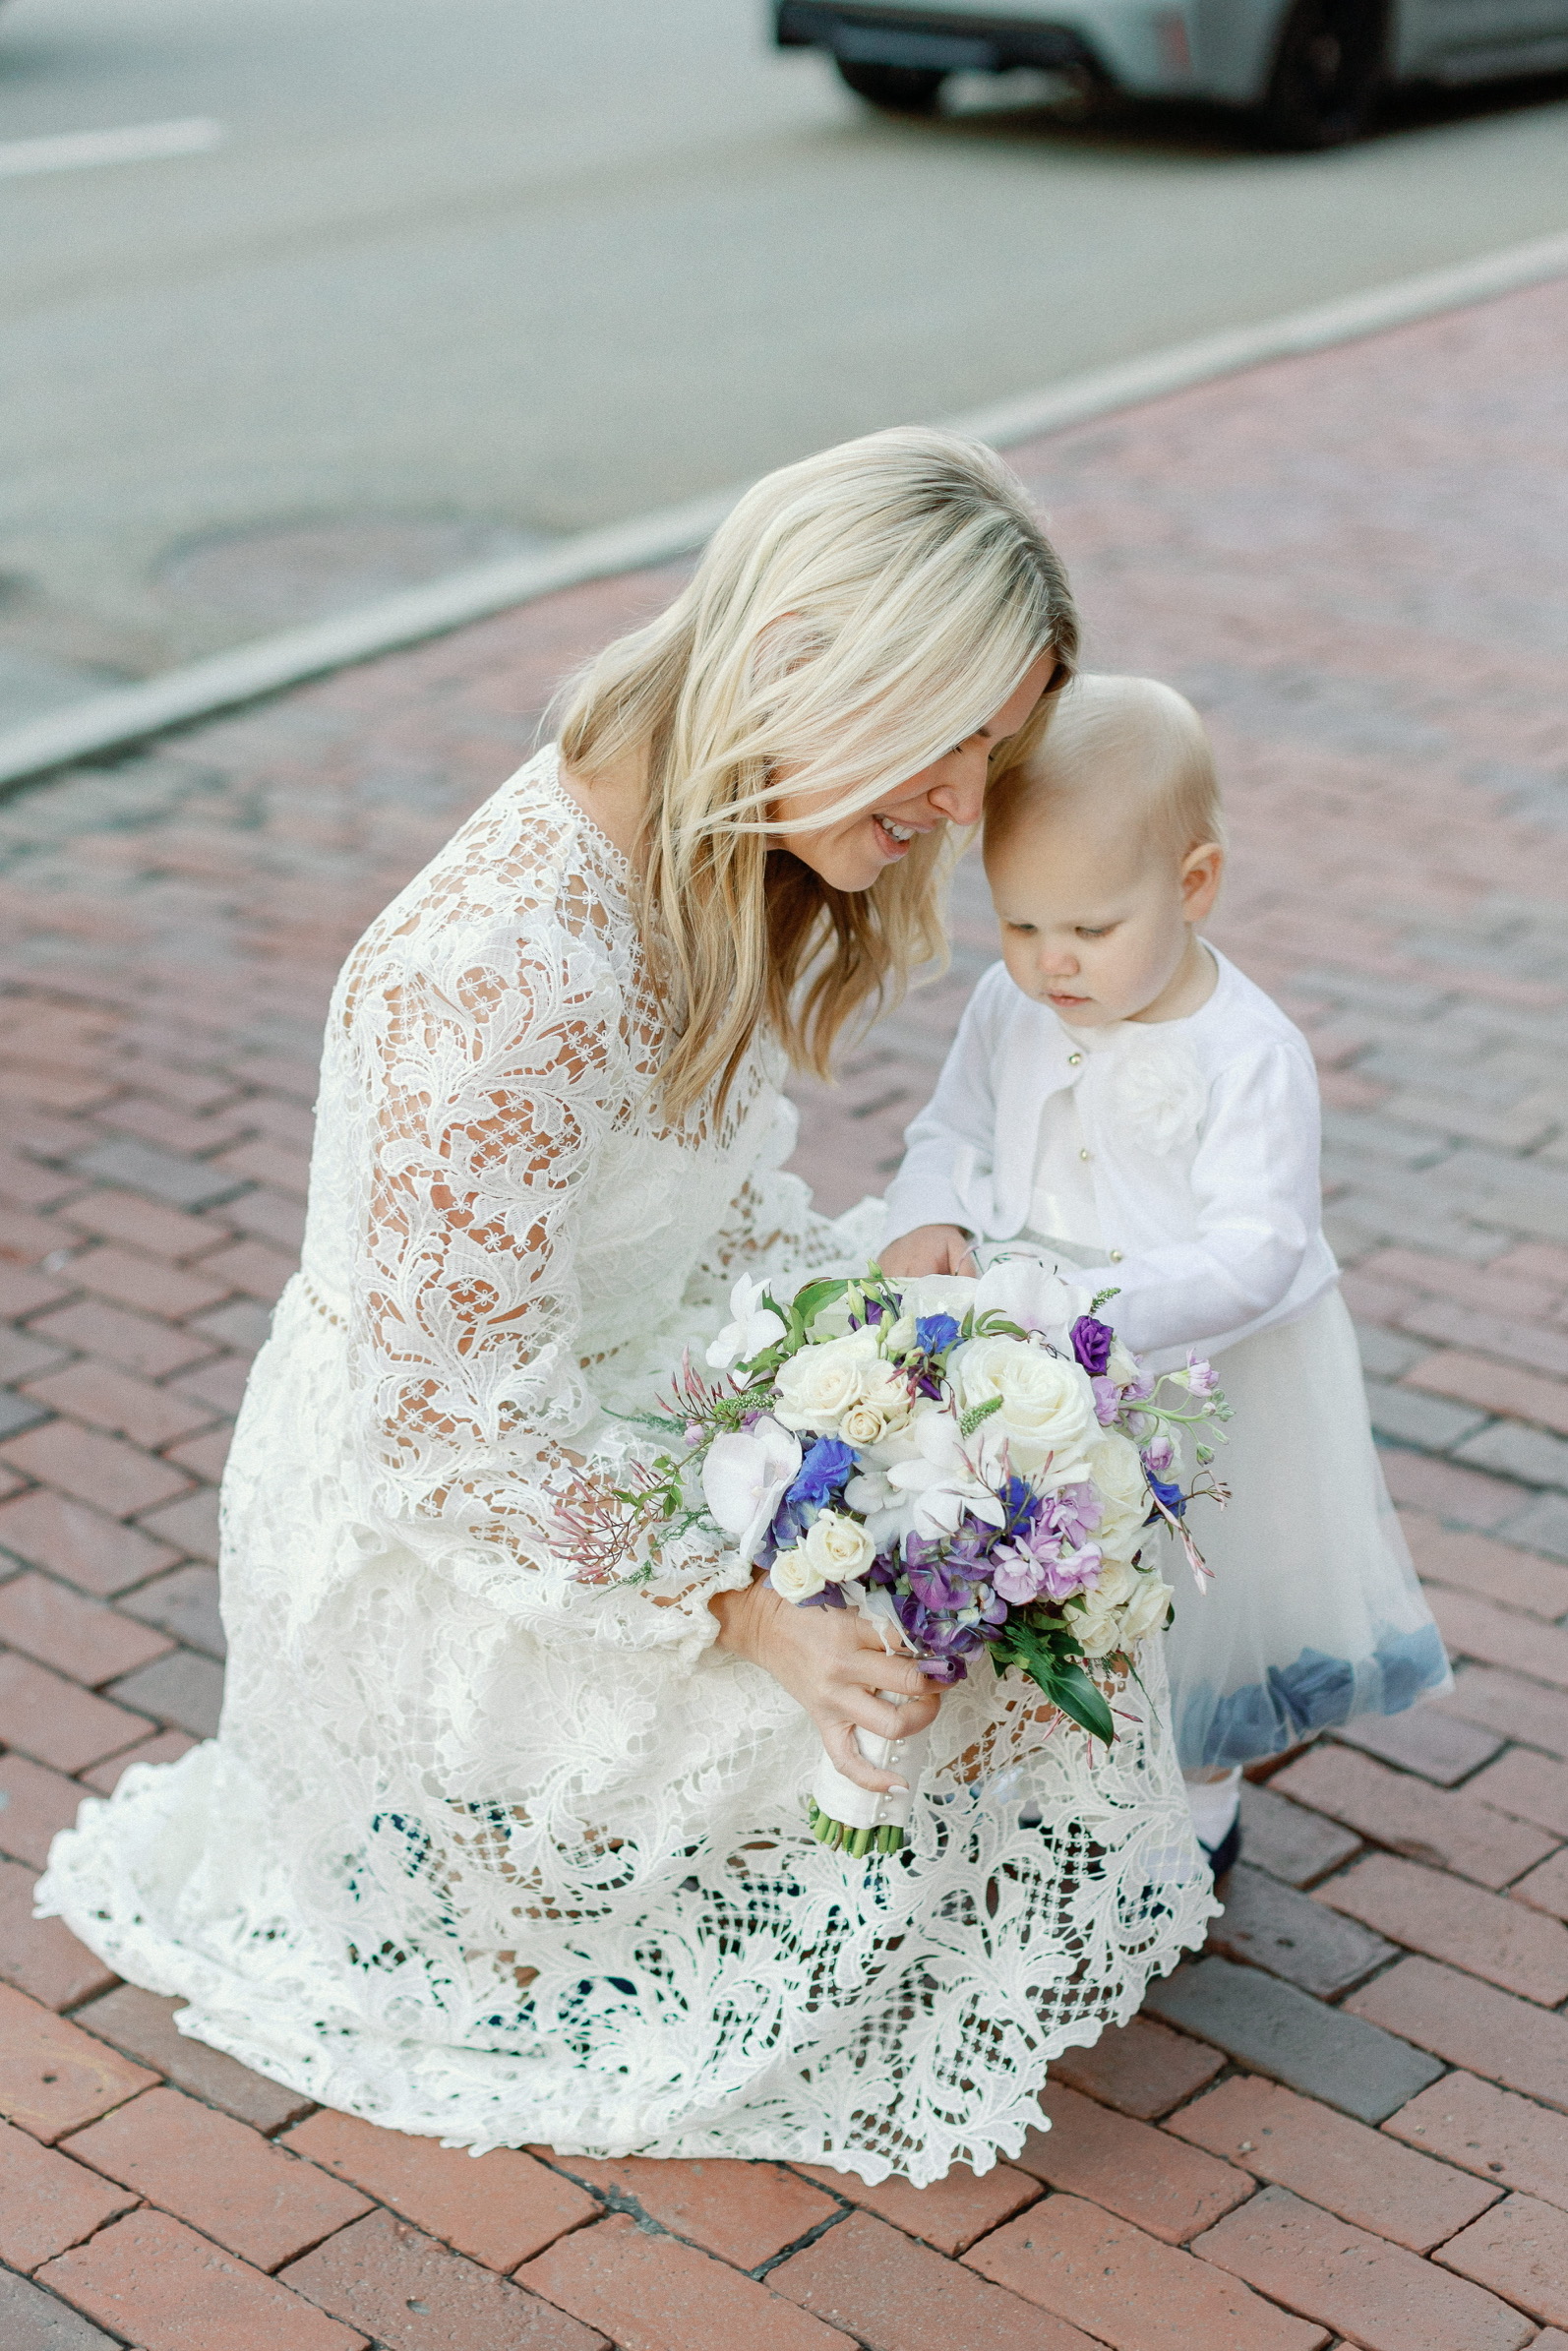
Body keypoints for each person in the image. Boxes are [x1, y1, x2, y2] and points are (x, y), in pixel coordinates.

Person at [40, 439, 1214, 2189]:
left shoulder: (702, 850)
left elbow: (706, 1226)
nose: (967, 806)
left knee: (1001, 1555)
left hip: (633, 1415)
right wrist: (755, 1608)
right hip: (441, 1536)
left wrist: (895, 1380)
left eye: (994, 749)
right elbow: (449, 1434)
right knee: (906, 1685)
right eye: (951, 732)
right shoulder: (512, 972)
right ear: (810, 656)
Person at [880, 673, 1450, 1876]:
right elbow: (951, 1128)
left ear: (1192, 886)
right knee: (1057, 1570)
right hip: (1031, 1355)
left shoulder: (1247, 1052)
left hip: (1196, 1369)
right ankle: (1053, 1762)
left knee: (1193, 1601)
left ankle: (1198, 1802)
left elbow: (1261, 1251)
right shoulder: (1008, 1003)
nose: (1051, 963)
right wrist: (929, 1209)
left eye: (1089, 928)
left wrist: (1088, 1317)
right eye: (1020, 924)